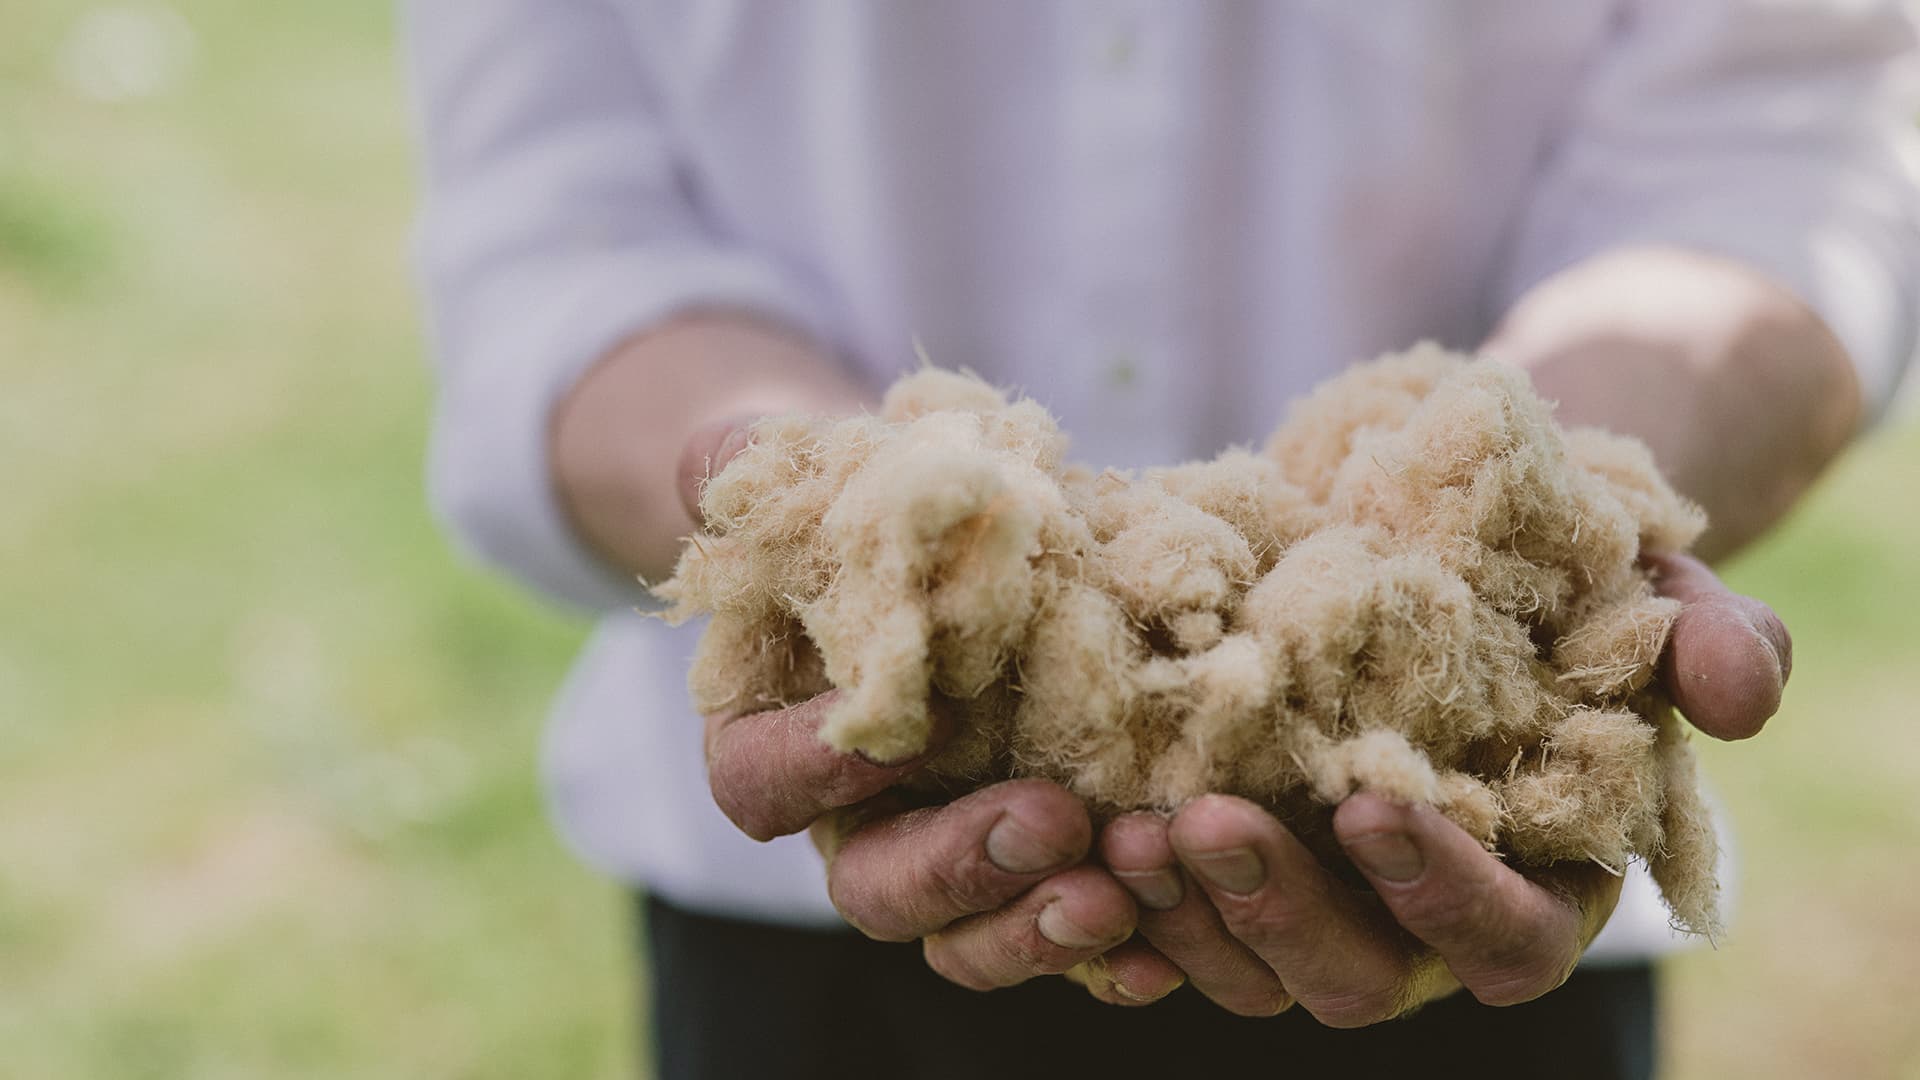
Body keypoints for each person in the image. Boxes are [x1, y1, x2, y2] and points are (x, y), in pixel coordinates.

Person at [405, 3, 1920, 1077]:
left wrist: (1562, 503)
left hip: (1481, 865)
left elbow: (1775, 132)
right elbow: (559, 211)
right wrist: (814, 514)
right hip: (803, 937)